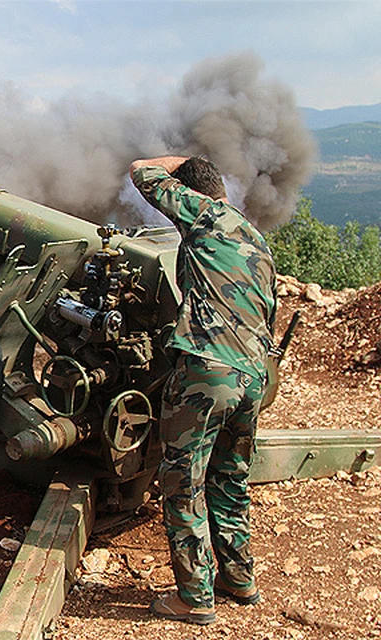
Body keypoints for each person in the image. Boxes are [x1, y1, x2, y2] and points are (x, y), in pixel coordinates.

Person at [128, 155, 277, 625]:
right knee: (229, 478)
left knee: (183, 481)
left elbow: (141, 171)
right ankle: (239, 577)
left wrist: (180, 161)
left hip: (207, 372)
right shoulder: (258, 242)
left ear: (194, 191)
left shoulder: (204, 214)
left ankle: (194, 597)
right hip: (252, 378)